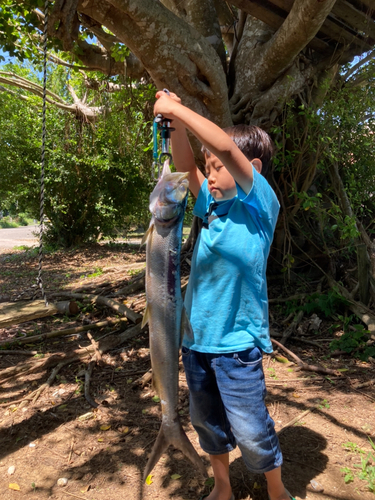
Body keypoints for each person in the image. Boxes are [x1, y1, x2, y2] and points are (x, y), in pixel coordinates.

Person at [153, 91, 295, 500]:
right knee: (208, 424)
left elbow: (225, 147)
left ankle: (276, 488)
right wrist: (175, 124)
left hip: (237, 348)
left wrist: (178, 110)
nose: (209, 176)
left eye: (217, 169)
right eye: (209, 169)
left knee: (251, 429)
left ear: (251, 169)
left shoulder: (260, 208)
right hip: (196, 341)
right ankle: (222, 486)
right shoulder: (210, 209)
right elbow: (184, 167)